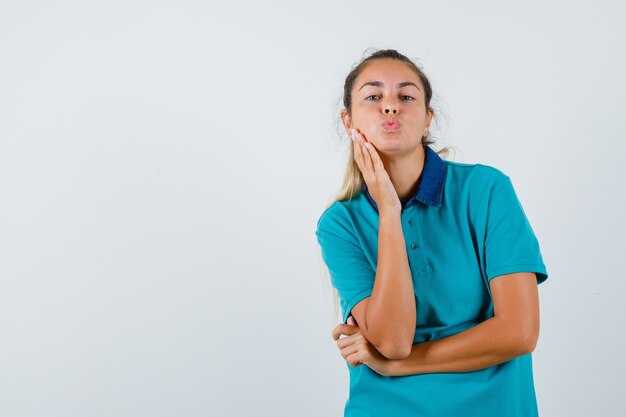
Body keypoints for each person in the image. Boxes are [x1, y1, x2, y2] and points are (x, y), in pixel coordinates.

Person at [315, 49, 549, 417]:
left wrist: (400, 366)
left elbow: (519, 332)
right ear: (348, 120)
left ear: (427, 119)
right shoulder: (339, 224)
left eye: (406, 97)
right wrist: (390, 212)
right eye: (373, 97)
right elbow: (392, 341)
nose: (390, 107)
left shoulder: (486, 190)